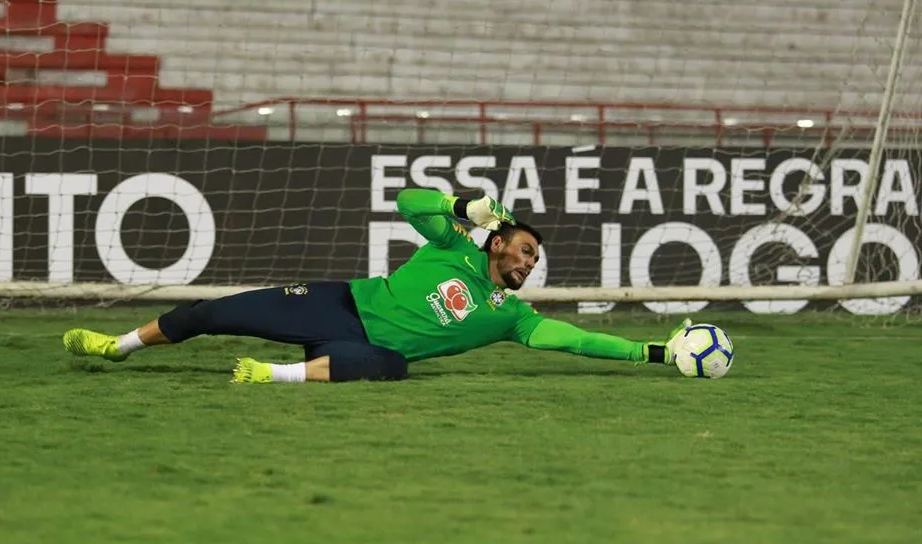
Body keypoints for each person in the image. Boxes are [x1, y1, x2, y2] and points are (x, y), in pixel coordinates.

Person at [63, 188, 688, 383]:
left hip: (364, 351)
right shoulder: (451, 245)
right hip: (341, 303)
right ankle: (116, 346)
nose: (529, 264)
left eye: (535, 260)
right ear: (498, 242)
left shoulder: (513, 318)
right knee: (214, 311)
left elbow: (576, 341)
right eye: (525, 250)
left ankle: (270, 377)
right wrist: (459, 202)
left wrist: (651, 352)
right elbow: (408, 202)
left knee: (393, 365)